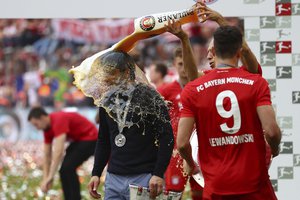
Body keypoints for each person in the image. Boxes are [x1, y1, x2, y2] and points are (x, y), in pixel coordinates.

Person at [177, 25, 281, 200]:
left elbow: (181, 143)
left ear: (215, 51)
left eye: (211, 50)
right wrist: (275, 148)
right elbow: (271, 131)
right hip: (255, 186)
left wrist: (191, 164)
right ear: (239, 51)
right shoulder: (255, 82)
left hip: (217, 188)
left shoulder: (195, 89)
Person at [87, 50, 174, 200]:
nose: (107, 79)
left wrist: (158, 173)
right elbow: (103, 140)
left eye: (112, 73)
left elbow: (167, 137)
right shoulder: (106, 101)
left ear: (126, 72)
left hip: (144, 177)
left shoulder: (150, 97)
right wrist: (96, 172)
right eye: (105, 73)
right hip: (114, 177)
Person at [157, 46, 203, 199]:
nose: (184, 68)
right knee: (173, 194)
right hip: (176, 153)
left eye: (186, 63)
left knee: (201, 194)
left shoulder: (203, 87)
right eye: (180, 64)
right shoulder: (165, 90)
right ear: (174, 64)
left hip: (200, 152)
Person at [27, 107, 98, 200]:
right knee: (64, 170)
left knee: (67, 168)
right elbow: (47, 155)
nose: (37, 128)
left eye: (36, 124)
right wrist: (46, 178)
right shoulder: (47, 129)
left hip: (91, 138)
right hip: (79, 140)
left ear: (42, 117)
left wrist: (51, 176)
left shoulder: (58, 119)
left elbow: (58, 152)